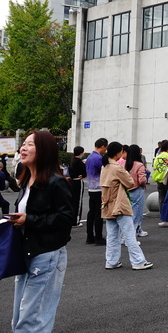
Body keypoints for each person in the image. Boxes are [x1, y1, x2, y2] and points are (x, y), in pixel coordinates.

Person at [10, 131, 75, 332]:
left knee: (32, 319)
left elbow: (66, 218)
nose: (23, 148)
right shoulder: (27, 181)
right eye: (24, 144)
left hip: (45, 255)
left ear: (44, 150)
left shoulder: (56, 182)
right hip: (26, 252)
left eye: (30, 144)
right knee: (20, 316)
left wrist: (29, 220)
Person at [100, 141, 153, 271]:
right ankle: (138, 261)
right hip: (120, 203)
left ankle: (111, 261)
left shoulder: (105, 167)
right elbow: (129, 182)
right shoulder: (117, 168)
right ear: (118, 152)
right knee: (129, 234)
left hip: (107, 204)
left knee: (112, 236)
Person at [85, 138, 108, 245]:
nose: (105, 150)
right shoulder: (98, 158)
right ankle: (98, 237)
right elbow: (104, 171)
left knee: (91, 213)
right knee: (99, 214)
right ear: (102, 146)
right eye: (105, 148)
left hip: (90, 187)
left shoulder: (89, 157)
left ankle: (90, 236)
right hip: (98, 188)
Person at [125, 144, 148, 237]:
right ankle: (131, 236)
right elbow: (142, 179)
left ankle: (138, 229)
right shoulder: (139, 164)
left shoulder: (125, 164)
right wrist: (144, 184)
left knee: (129, 212)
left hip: (127, 189)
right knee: (137, 213)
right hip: (137, 189)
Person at [153, 139, 168, 216]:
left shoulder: (157, 157)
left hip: (158, 179)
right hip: (167, 179)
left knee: (161, 198)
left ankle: (162, 214)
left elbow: (154, 168)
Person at [69, 146, 87, 226]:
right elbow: (84, 173)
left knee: (72, 201)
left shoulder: (72, 161)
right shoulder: (80, 162)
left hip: (72, 182)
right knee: (78, 202)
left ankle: (71, 219)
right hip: (78, 182)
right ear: (80, 153)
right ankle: (76, 220)